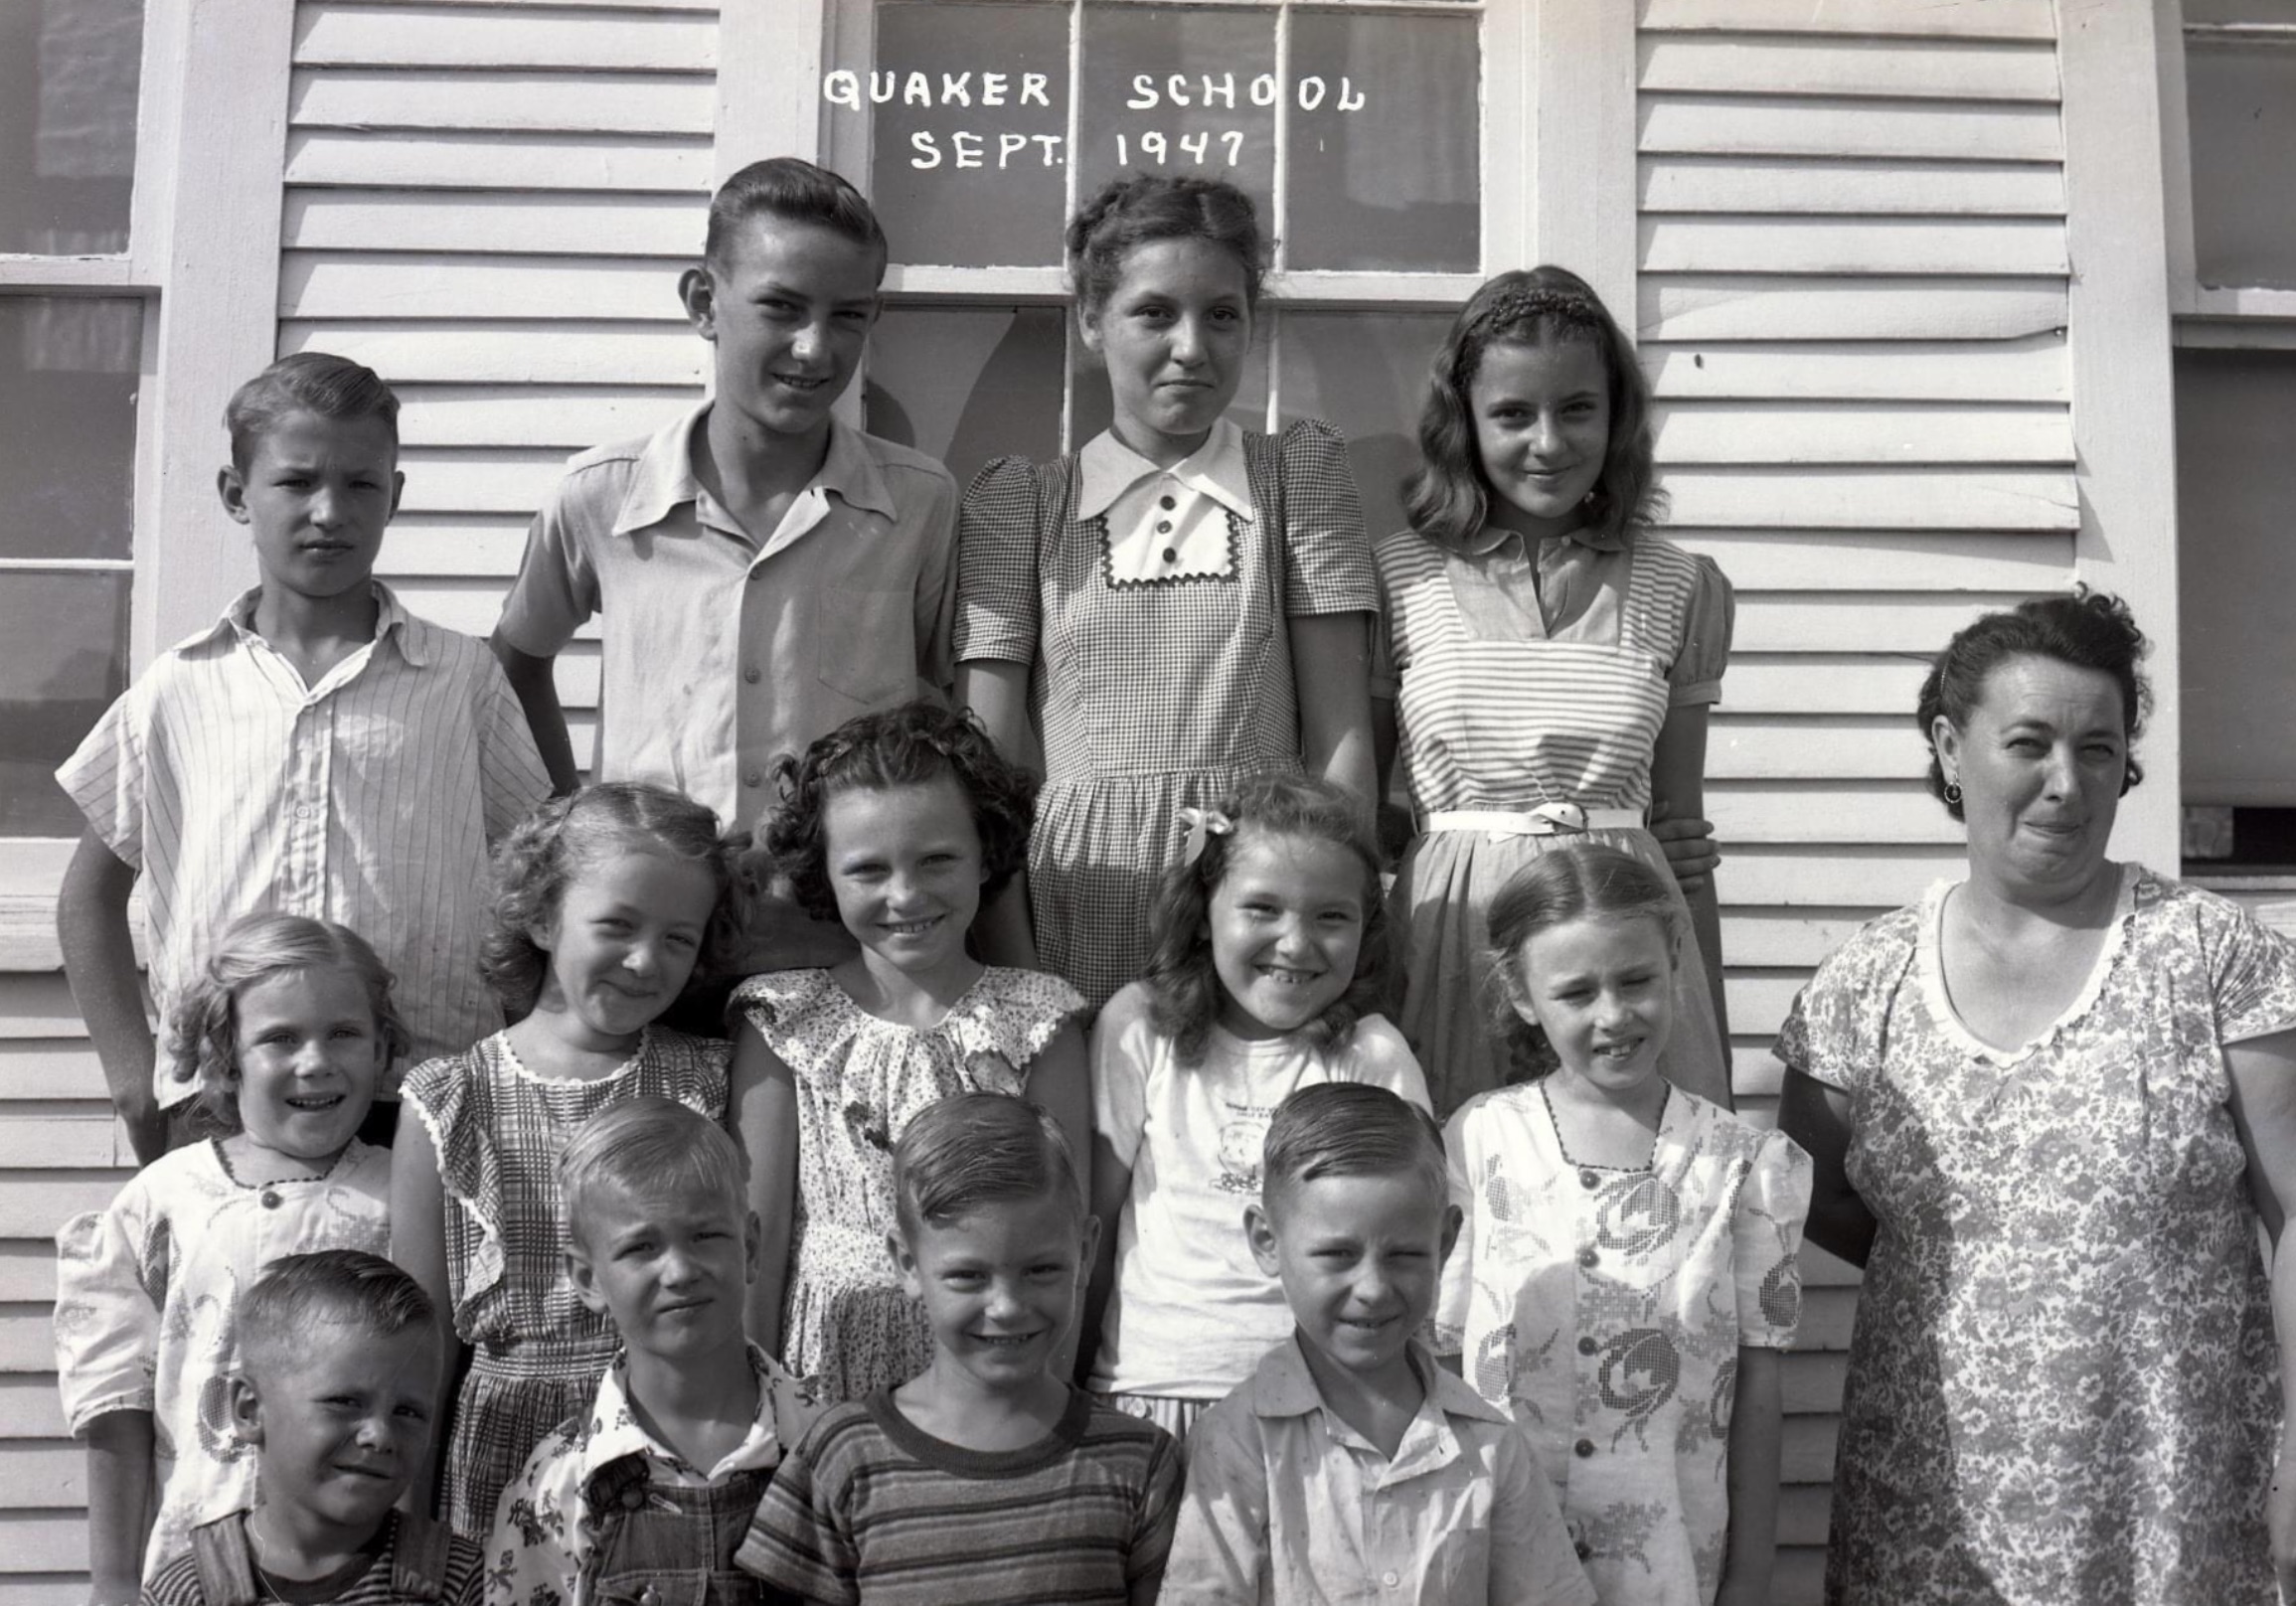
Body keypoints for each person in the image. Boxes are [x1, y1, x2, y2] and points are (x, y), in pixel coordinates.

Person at [1774, 590, 2296, 1605]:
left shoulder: (2214, 957)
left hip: (2174, 1513)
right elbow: (1822, 1203)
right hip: (1931, 1521)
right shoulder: (1863, 987)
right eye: (2029, 743)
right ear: (1949, 745)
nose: (2067, 782)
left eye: (2098, 748)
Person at [56, 352, 550, 1163]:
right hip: (223, 1097)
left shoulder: (461, 680)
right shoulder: (182, 687)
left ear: (394, 496)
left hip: (421, 1096)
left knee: (409, 1293)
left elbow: (542, 886)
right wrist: (132, 1077)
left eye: (360, 485)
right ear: (236, 495)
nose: (329, 511)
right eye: (296, 482)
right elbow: (88, 900)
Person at [955, 172, 1378, 1007]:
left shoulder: (1295, 479)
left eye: (1222, 314)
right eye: (1155, 313)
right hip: (1075, 890)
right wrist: (1019, 974)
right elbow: (990, 772)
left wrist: (1337, 923)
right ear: (1090, 321)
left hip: (1260, 896)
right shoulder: (1023, 504)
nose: (1192, 346)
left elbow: (1342, 741)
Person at [489, 156, 957, 845]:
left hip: (841, 921)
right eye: (782, 307)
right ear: (705, 303)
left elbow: (950, 706)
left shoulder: (918, 503)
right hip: (659, 926)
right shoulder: (600, 496)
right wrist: (568, 821)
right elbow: (517, 664)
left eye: (847, 316)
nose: (813, 347)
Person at [1375, 265, 1732, 1116]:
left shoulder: (1680, 585)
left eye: (1577, 409)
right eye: (1512, 414)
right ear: (1465, 422)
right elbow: (1368, 813)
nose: (1548, 442)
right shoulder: (1399, 575)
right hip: (1451, 929)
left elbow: (1682, 837)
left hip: (1621, 934)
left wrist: (1707, 1025)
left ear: (1617, 418)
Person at [1436, 845, 1809, 1606]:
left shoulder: (1742, 1166)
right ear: (1522, 994)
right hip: (1499, 1558)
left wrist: (1749, 1580)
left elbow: (1759, 1389)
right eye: (1575, 992)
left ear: (1675, 963)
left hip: (1670, 1564)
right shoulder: (1478, 1142)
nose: (1613, 1016)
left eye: (1636, 980)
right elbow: (1441, 1356)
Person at [392, 782, 746, 1537]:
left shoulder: (709, 1081)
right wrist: (407, 1520)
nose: (646, 960)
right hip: (505, 1448)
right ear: (545, 915)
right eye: (616, 925)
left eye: (679, 938)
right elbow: (416, 1342)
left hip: (677, 1432)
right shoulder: (452, 1100)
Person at [729, 701, 1089, 1399]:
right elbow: (756, 1242)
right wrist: (757, 1411)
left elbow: (1066, 1242)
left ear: (987, 853)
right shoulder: (782, 1022)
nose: (906, 893)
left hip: (995, 1373)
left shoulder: (1041, 1021)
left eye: (937, 860)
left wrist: (1045, 1417)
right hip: (821, 1374)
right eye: (868, 869)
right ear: (822, 874)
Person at [56, 915, 399, 1598]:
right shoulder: (165, 1200)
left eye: (343, 1033)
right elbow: (113, 1403)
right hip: (200, 1564)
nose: (315, 1061)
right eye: (279, 1038)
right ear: (227, 1054)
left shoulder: (406, 1193)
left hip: (373, 1570)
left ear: (383, 1046)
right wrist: (115, 1581)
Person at [1084, 771, 1430, 1438]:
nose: (1296, 944)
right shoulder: (1139, 1029)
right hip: (1153, 1391)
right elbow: (1090, 1232)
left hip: (1322, 1403)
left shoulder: (1371, 1055)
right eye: (1262, 909)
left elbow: (1413, 1243)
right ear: (1203, 910)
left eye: (1331, 916)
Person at [738, 1092, 1184, 1604]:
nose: (1007, 1306)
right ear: (907, 1264)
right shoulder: (843, 1457)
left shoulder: (1140, 1463)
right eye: (969, 1276)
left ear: (1084, 1251)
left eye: (1041, 1269)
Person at [1163, 1082, 1595, 1605]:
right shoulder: (1237, 1441)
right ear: (1267, 1242)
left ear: (1446, 1242)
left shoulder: (1489, 1447)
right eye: (1337, 1255)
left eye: (1404, 1256)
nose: (1372, 1289)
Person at [484, 1098, 820, 1606]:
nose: (681, 1272)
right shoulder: (558, 1483)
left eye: (706, 1235)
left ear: (750, 1247)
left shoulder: (828, 1448)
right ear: (588, 1278)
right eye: (642, 1247)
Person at [137, 1252, 483, 1606]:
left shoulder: (455, 1580)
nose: (379, 1435)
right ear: (250, 1410)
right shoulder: (188, 1591)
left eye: (408, 1411)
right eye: (345, 1402)